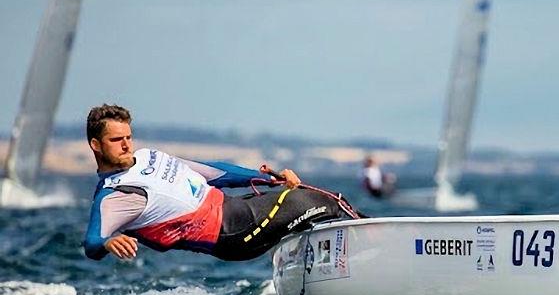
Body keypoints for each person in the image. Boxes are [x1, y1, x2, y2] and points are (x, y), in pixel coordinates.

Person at [83, 104, 360, 262]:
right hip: (231, 233)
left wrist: (269, 178)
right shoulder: (114, 195)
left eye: (128, 137)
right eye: (116, 140)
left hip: (236, 209)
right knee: (324, 201)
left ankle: (342, 263)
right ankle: (379, 246)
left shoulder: (147, 157)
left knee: (309, 204)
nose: (126, 145)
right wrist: (108, 243)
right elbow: (92, 242)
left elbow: (216, 173)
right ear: (96, 145)